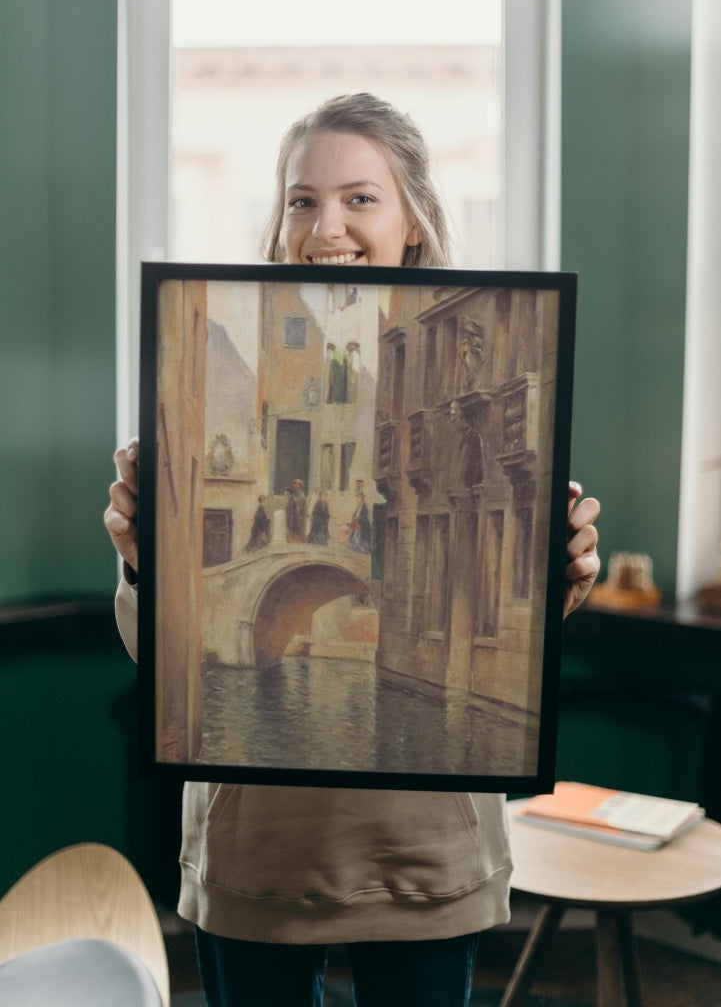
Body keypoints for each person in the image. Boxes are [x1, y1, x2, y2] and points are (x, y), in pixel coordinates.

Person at [105, 93, 601, 1007]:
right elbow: (168, 661)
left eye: (359, 199)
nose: (324, 225)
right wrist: (145, 565)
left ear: (412, 220)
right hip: (256, 858)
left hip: (424, 855)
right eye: (301, 200)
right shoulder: (215, 330)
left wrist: (558, 574)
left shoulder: (495, 349)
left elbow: (536, 642)